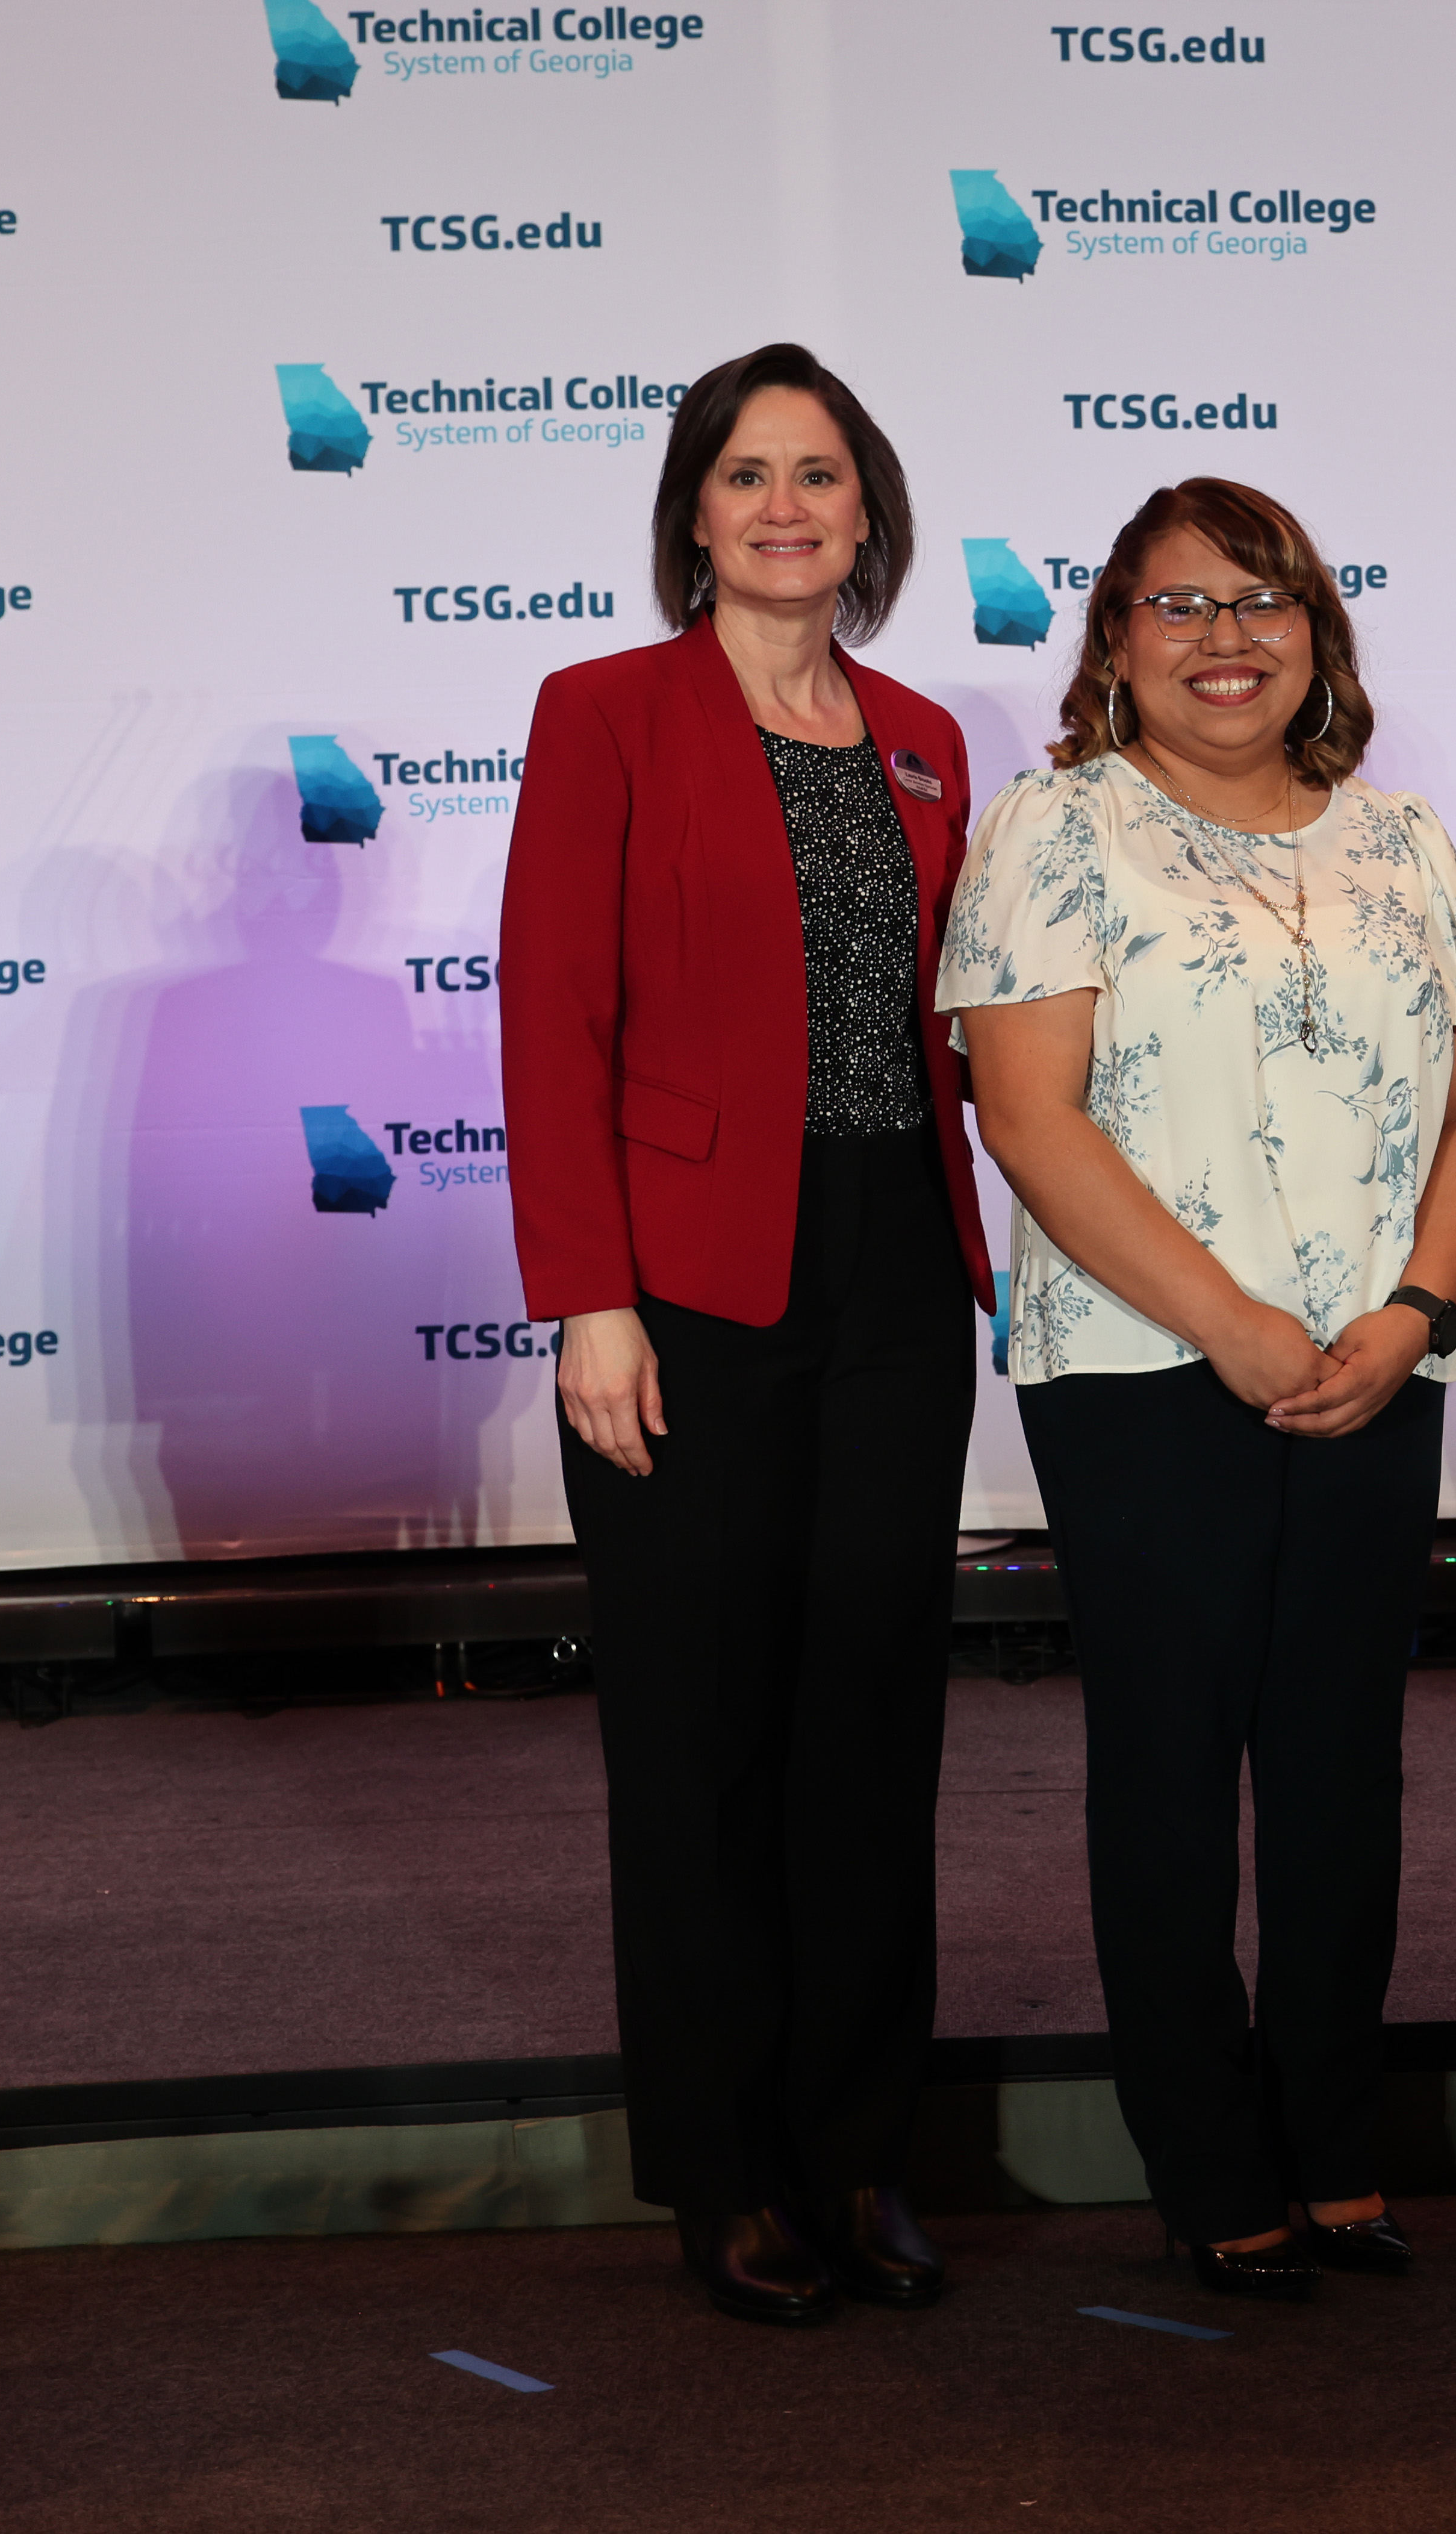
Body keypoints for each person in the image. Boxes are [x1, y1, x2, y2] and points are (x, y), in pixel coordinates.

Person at [939, 479, 1456, 2301]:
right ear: (1113, 642)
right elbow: (1028, 1117)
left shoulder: (1405, 841)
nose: (1226, 638)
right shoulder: (1053, 829)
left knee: (1348, 1774)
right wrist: (1235, 1326)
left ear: (1319, 637)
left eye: (1263, 602)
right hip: (1141, 1373)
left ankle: (1335, 2143)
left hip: (1376, 1372)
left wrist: (1418, 1310)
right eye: (1179, 607)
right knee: (1175, 1775)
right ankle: (1209, 2164)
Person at [500, 344, 992, 2326]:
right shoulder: (604, 713)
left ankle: (860, 2151)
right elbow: (552, 1021)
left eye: (819, 475)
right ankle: (723, 2173)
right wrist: (587, 1296)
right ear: (693, 514)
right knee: (701, 1742)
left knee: (873, 1726)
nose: (785, 506)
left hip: (891, 1275)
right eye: (745, 475)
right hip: (686, 1283)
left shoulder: (932, 737)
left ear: (868, 513)